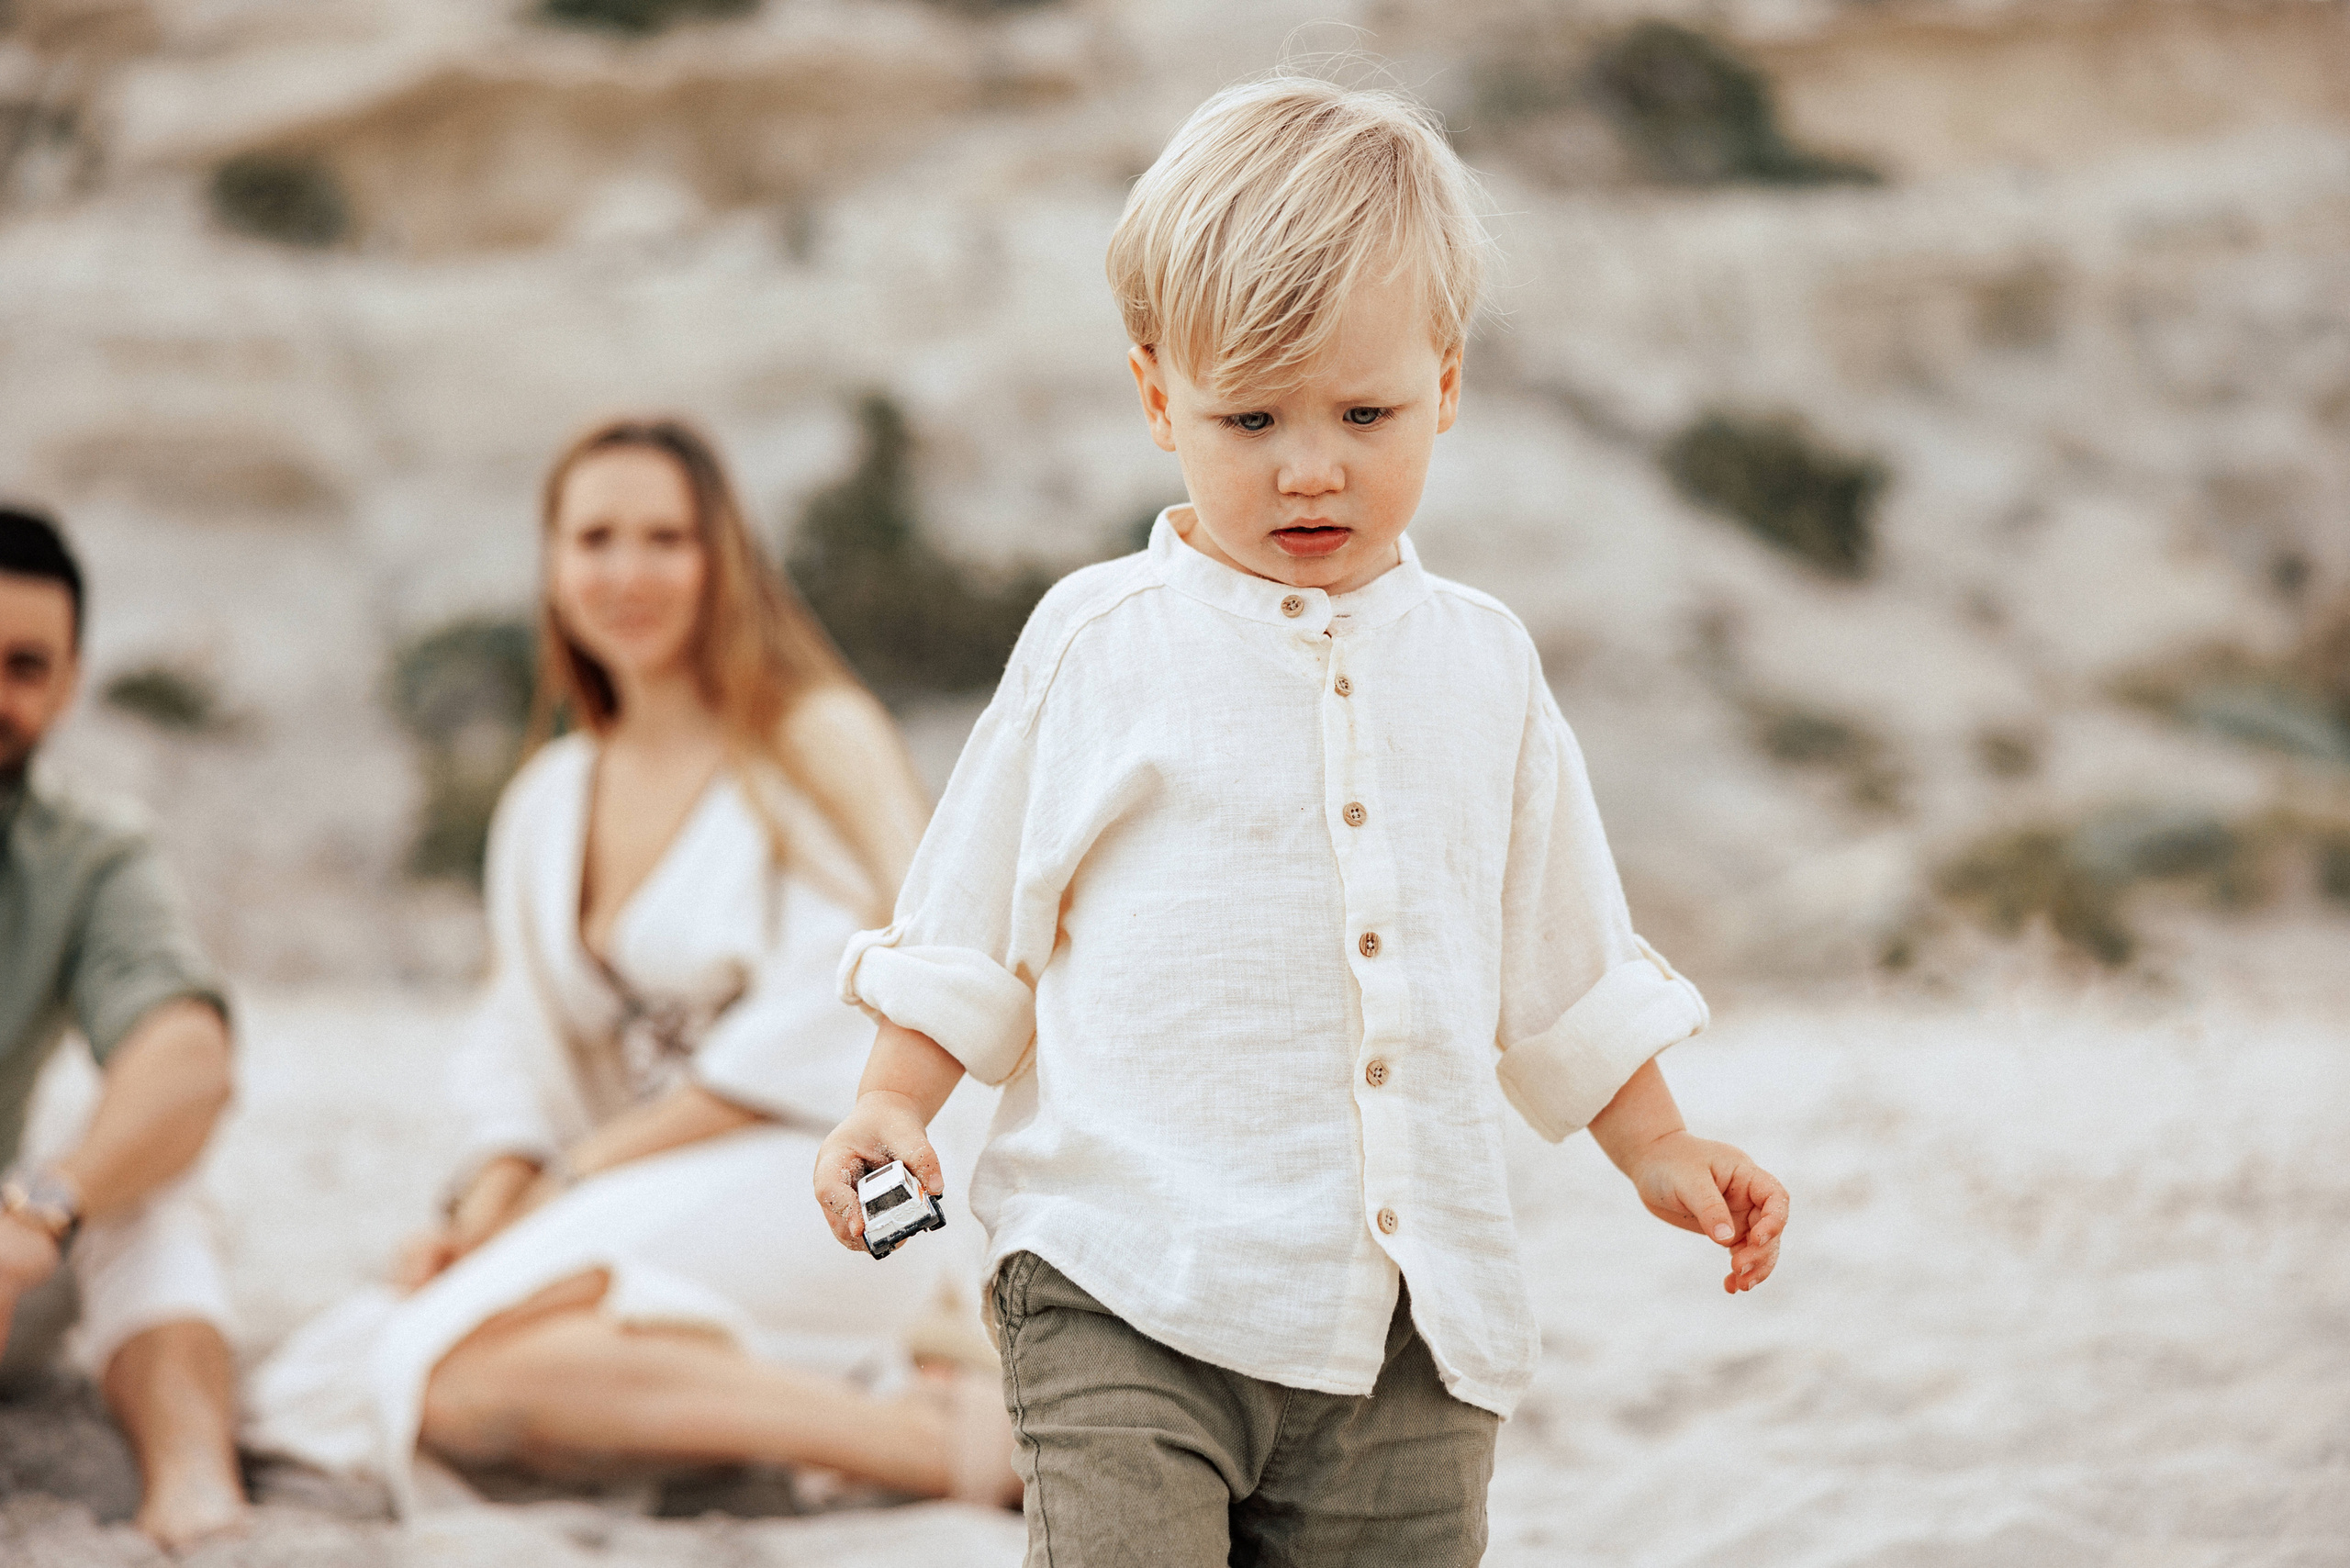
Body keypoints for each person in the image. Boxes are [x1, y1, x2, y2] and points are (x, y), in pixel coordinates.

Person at [813, 73, 1792, 1566]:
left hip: (1409, 1322)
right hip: (1124, 1279)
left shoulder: (1484, 665)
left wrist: (1654, 1140)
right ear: (1159, 397)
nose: (1312, 463)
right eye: (1251, 415)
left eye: (1365, 412)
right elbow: (971, 915)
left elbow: (1562, 945)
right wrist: (896, 1100)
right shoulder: (1101, 643)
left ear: (1446, 385)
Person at [246, 418, 1015, 1513]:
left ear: (721, 560)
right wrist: (486, 1206)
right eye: (595, 539)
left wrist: (572, 1183)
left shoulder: (813, 743)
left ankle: (928, 1449)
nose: (628, 573)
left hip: (832, 1182)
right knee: (316, 1382)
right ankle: (788, 1419)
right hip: (630, 1189)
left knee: (442, 1375)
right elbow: (514, 1043)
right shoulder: (546, 799)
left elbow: (837, 1010)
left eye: (665, 539)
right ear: (554, 566)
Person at [0, 505, 247, 1551]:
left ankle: (193, 1483)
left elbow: (186, 1056)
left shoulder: (86, 849)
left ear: (69, 684)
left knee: (144, 1175)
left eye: (23, 666)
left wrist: (42, 1208)